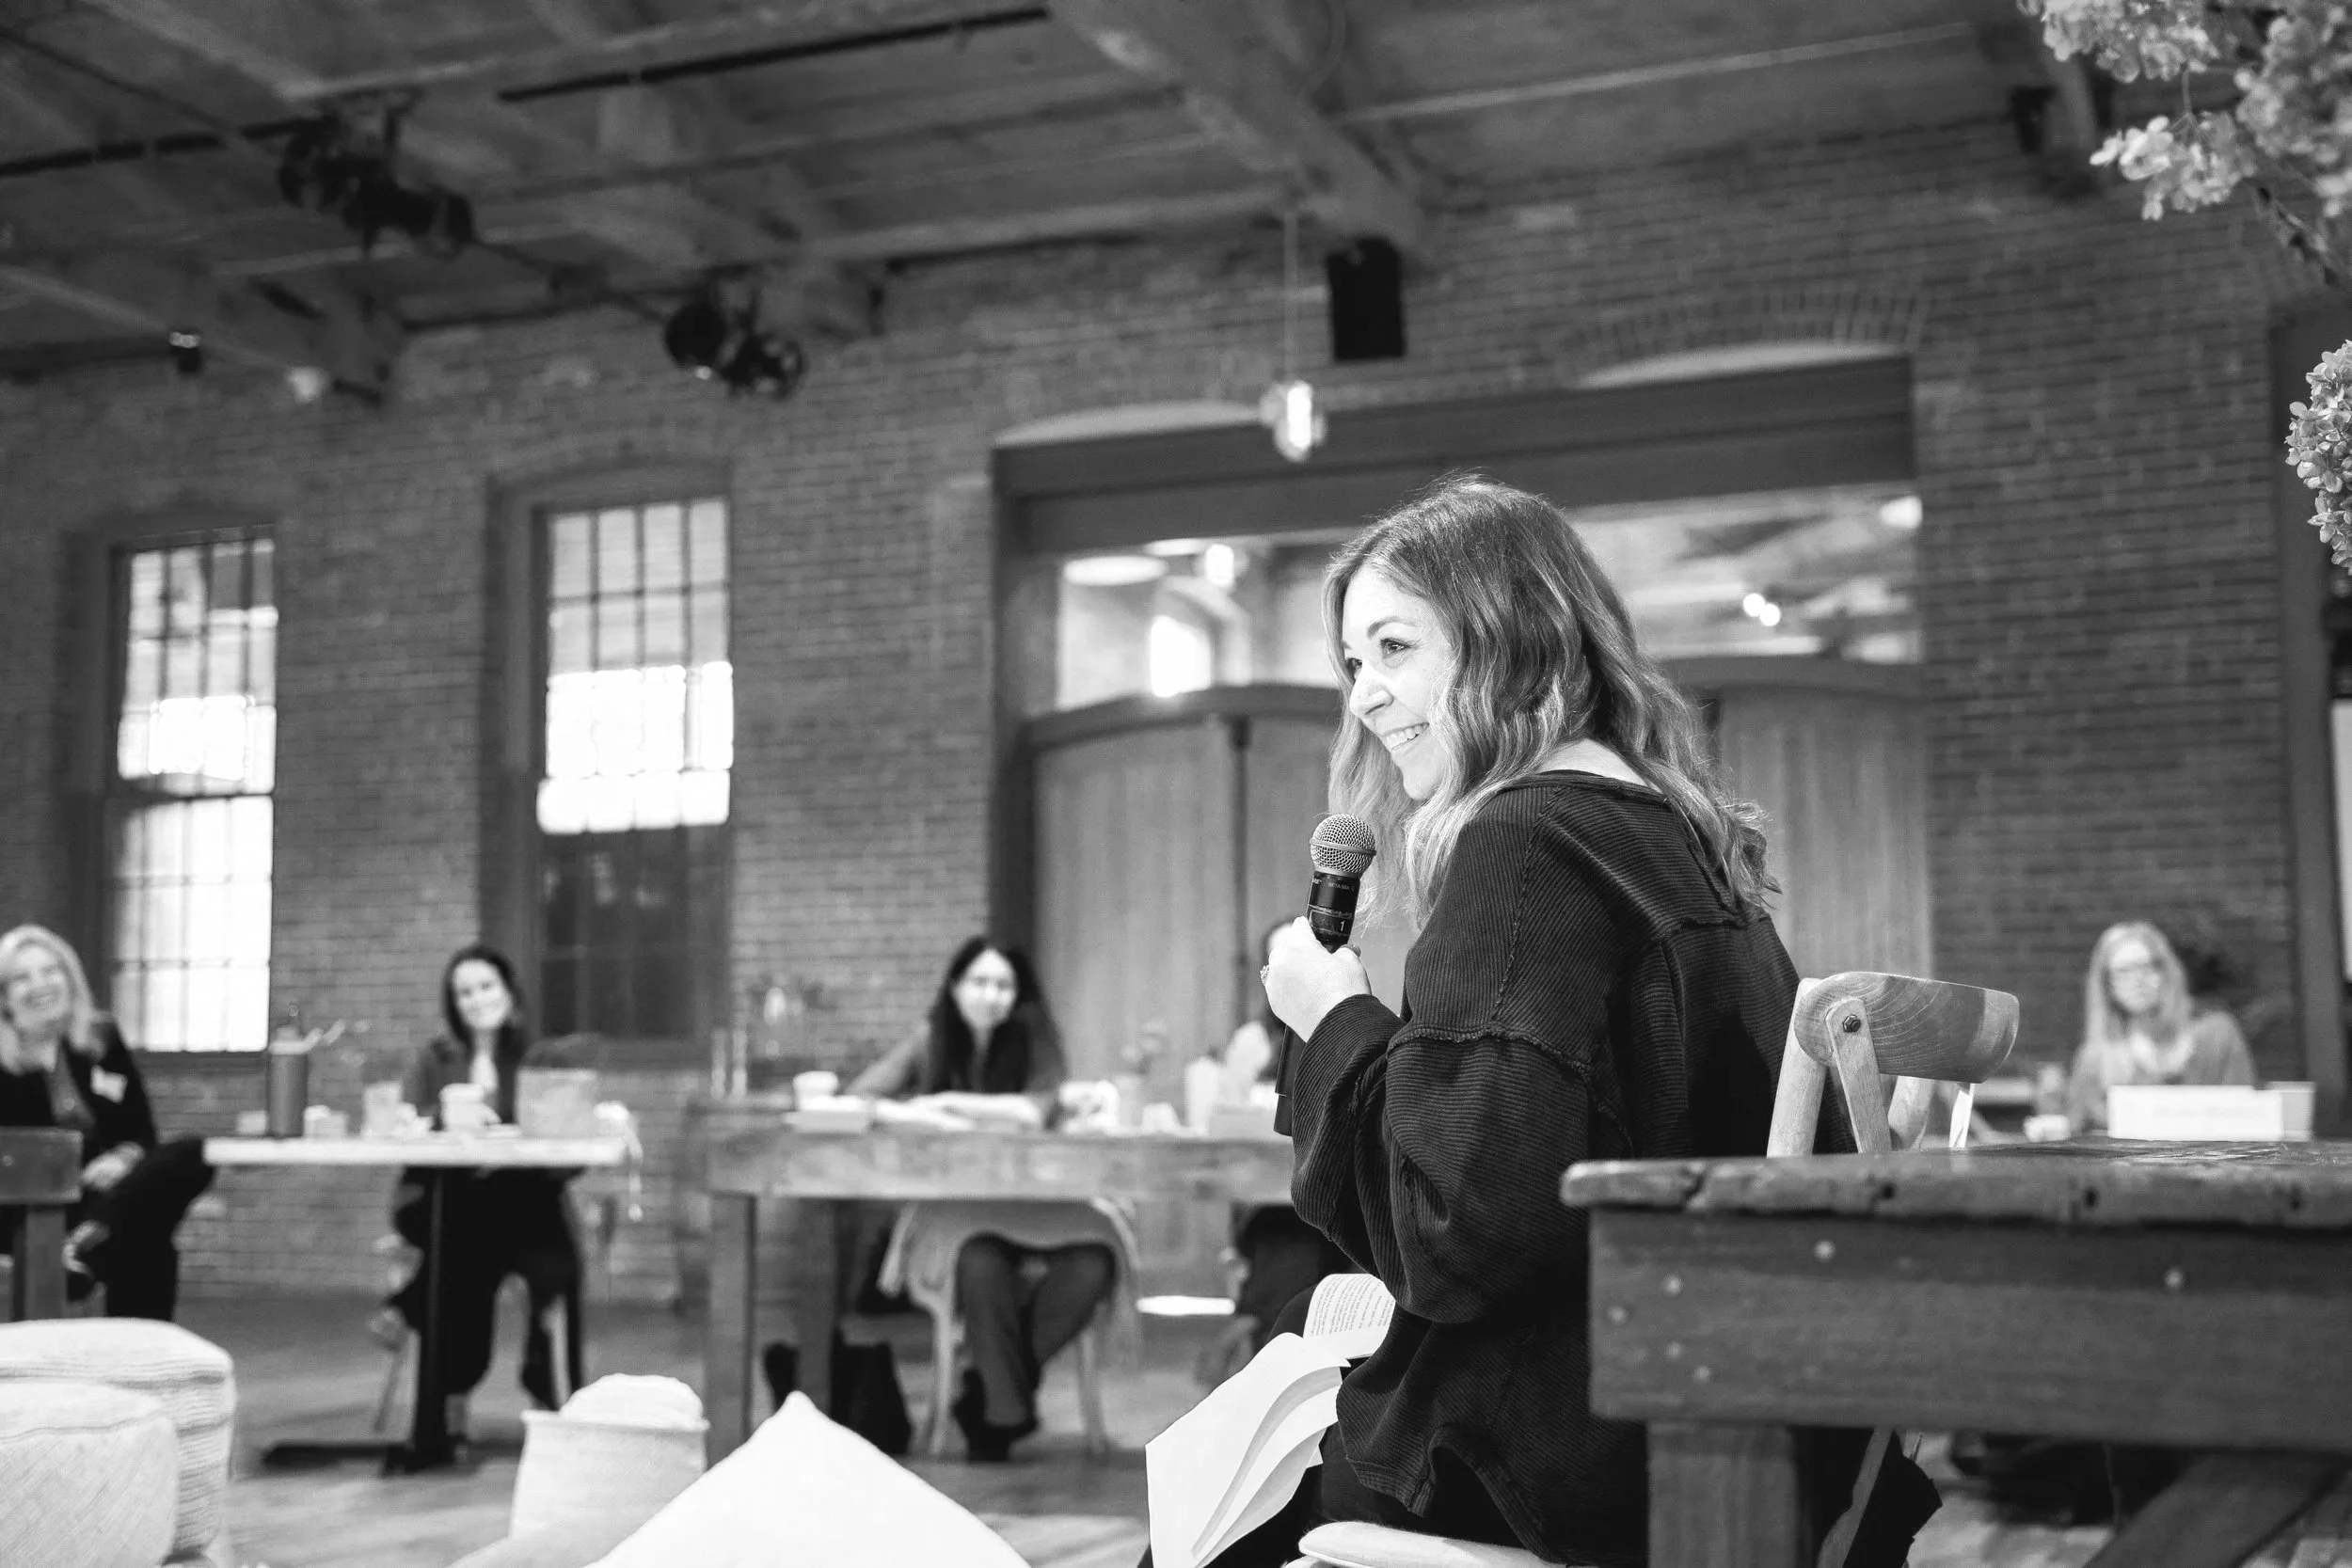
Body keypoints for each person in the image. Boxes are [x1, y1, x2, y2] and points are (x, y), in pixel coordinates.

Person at [1142, 477, 1935, 1568]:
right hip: (1723, 1411)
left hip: (1577, 1452)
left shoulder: (1525, 841)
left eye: (1394, 645)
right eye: (1351, 662)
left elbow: (1456, 1231)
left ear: (1516, 636)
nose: (1365, 694)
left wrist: (1330, 1014)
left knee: (1217, 1502)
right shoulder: (1669, 830)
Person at [846, 938, 1120, 1461]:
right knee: (979, 1261)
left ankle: (986, 1398)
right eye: (979, 982)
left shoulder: (1033, 1035)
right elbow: (862, 1098)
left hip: (1040, 1208)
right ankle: (1000, 1415)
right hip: (958, 1216)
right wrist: (926, 1116)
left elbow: (1035, 1112)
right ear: (954, 987)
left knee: (1093, 1264)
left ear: (1017, 995)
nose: (991, 995)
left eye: (1004, 984)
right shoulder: (931, 1038)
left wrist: (948, 1100)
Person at [381, 943, 580, 1430]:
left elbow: (563, 1140)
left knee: (489, 1258)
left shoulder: (537, 1058)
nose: (476, 999)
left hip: (515, 1206)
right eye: (464, 992)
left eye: (486, 986)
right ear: (454, 1003)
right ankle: (513, 1390)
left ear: (509, 992)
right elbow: (406, 1124)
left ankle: (414, 1318)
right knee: (473, 1230)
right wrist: (436, 1120)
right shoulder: (433, 1059)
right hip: (439, 1198)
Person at [0, 925, 215, 1321]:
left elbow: (142, 1131)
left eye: (51, 971)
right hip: (29, 1207)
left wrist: (123, 1158)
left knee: (192, 1153)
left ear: (69, 977)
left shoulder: (101, 1038)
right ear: (4, 997)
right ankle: (139, 1363)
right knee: (147, 1240)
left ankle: (86, 1245)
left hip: (108, 1196)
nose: (40, 985)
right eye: (21, 978)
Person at [1222, 920, 1349, 1355]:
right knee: (1288, 1232)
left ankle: (1254, 1326)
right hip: (1262, 1203)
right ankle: (1283, 1360)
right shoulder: (1251, 1043)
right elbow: (1224, 1124)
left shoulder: (1343, 1034)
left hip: (1328, 1197)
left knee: (1311, 1226)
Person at [2064, 921, 2256, 1132]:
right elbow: (2077, 1135)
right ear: (2106, 986)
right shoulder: (2095, 1059)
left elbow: (2246, 1119)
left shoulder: (2218, 1035)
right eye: (2123, 971)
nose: (2137, 979)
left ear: (2167, 972)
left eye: (2147, 966)